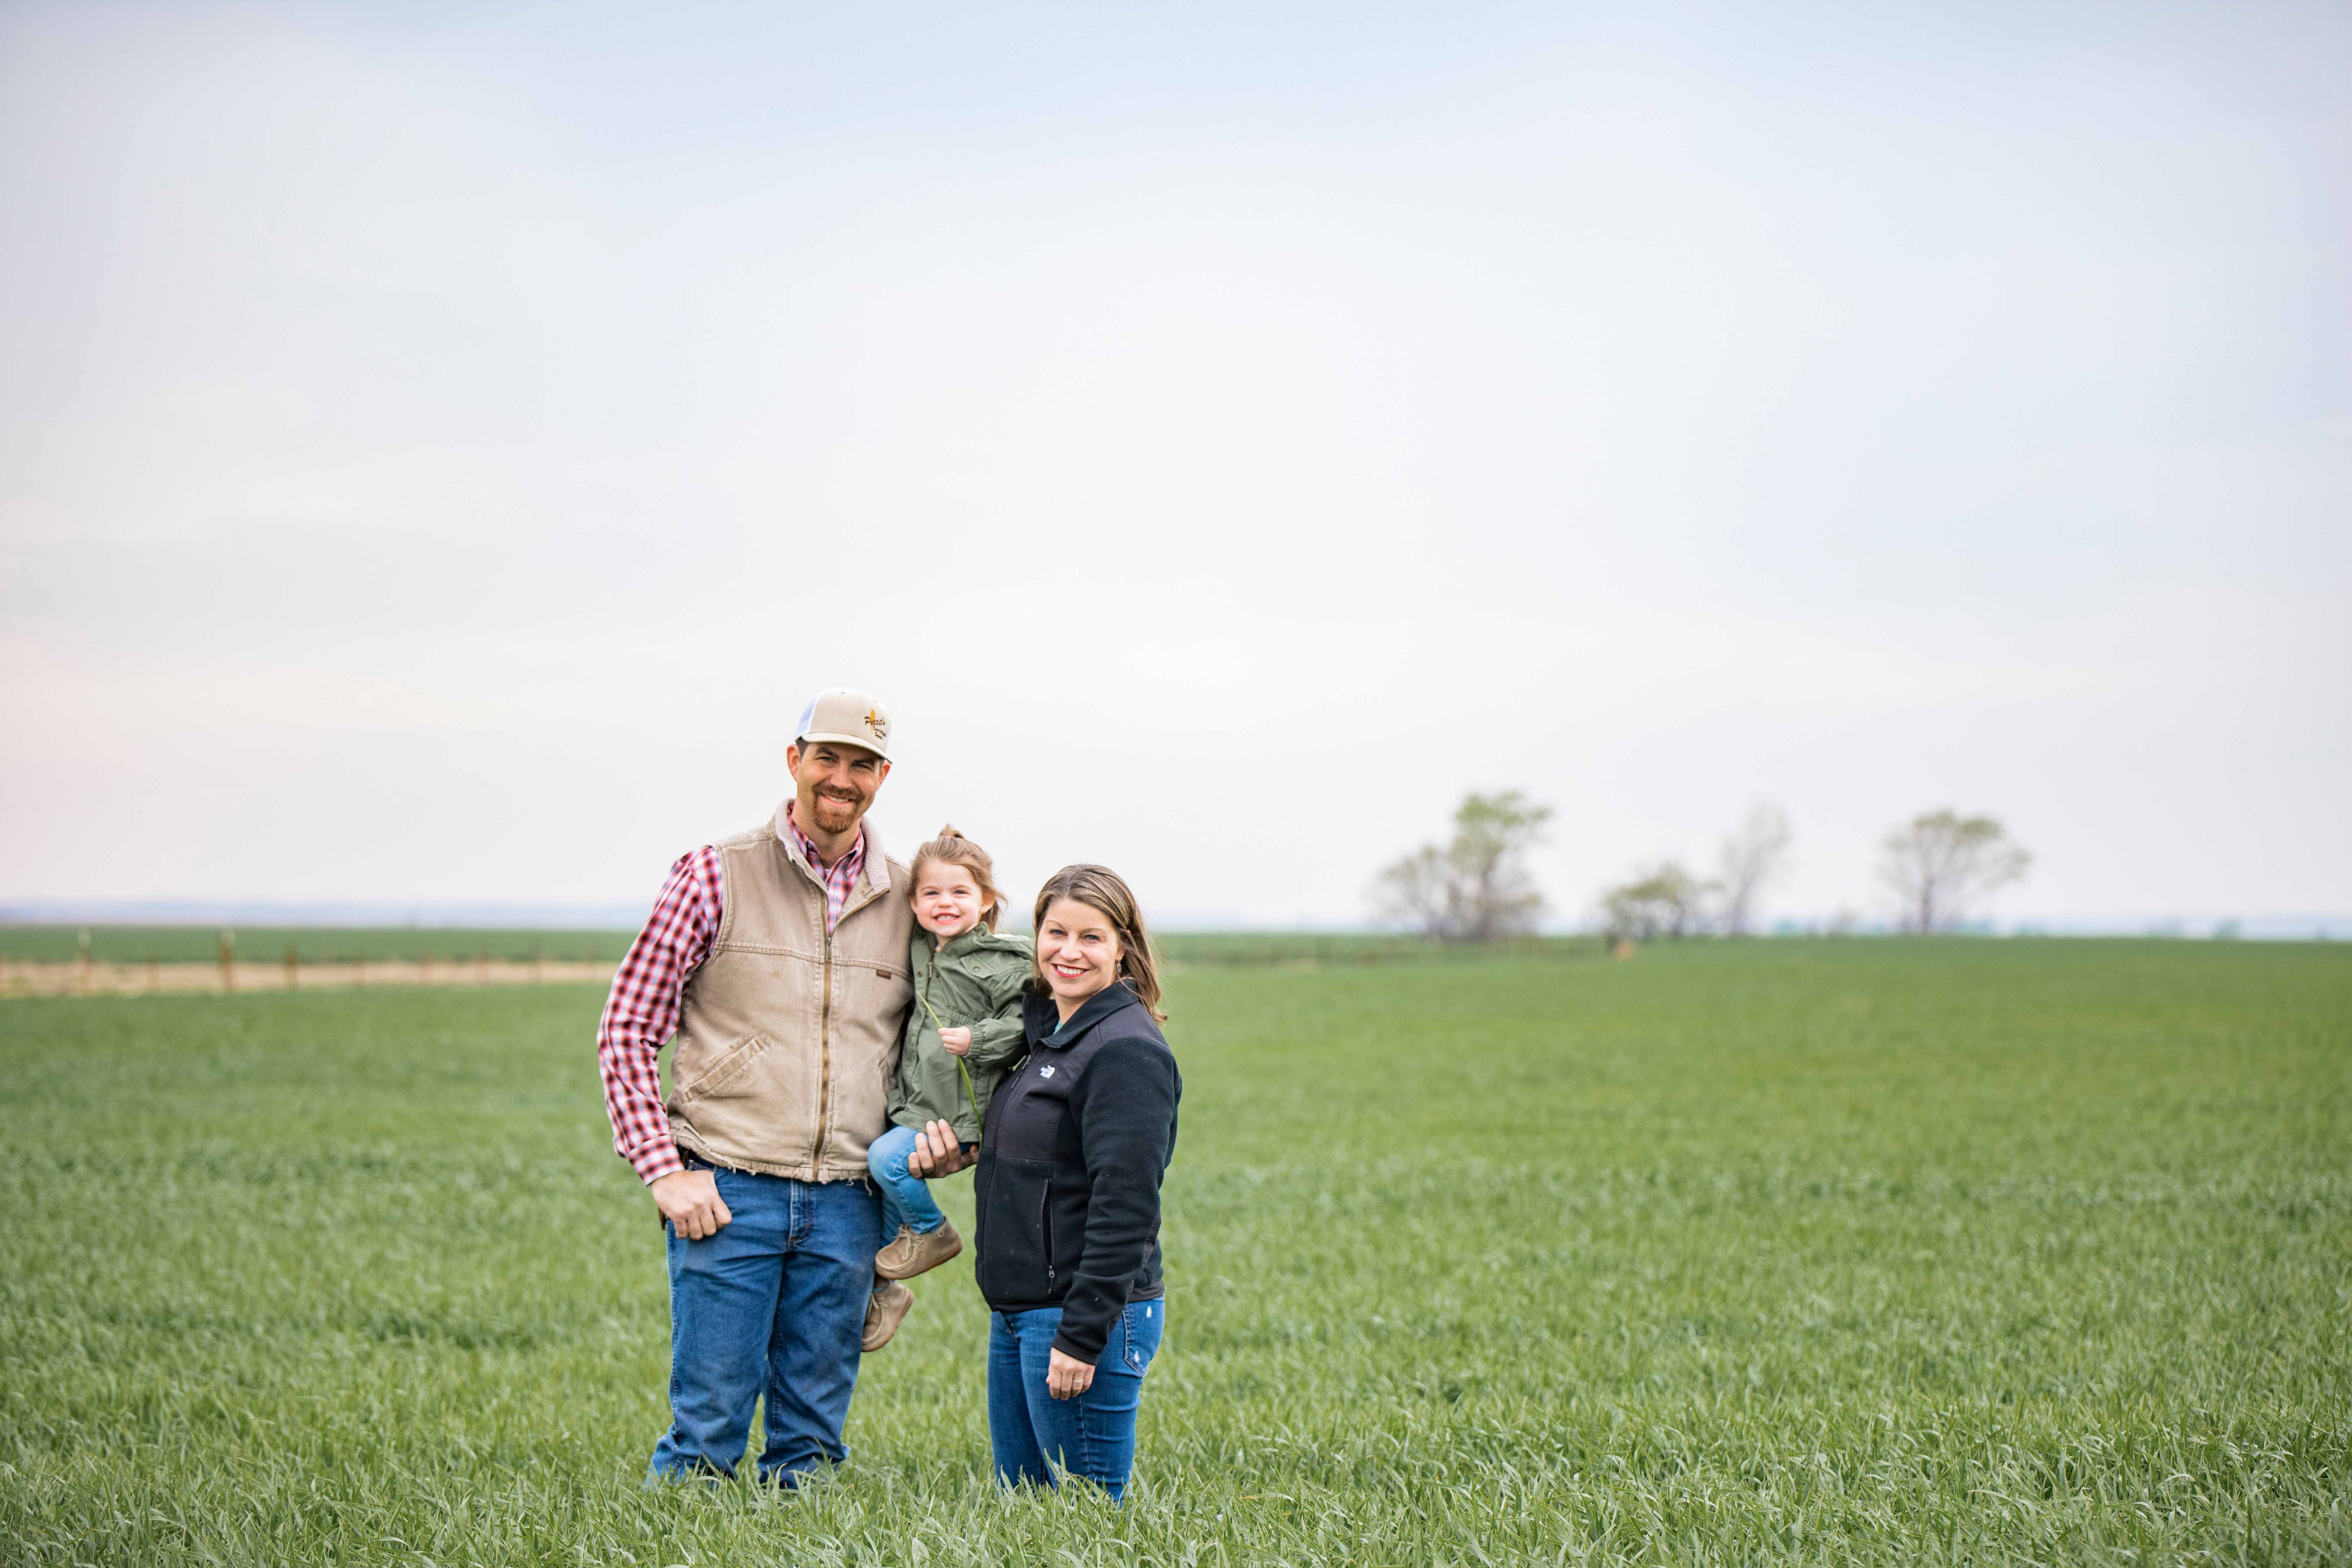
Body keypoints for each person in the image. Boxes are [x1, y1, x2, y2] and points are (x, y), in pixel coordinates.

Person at [595, 688, 913, 1488]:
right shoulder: (715, 873)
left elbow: (934, 1047)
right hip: (729, 1190)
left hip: (848, 1201)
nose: (843, 778)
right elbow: (629, 1027)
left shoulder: (909, 898)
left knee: (811, 1447)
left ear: (883, 776)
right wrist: (664, 1170)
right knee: (706, 1432)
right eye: (828, 757)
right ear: (794, 760)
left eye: (863, 763)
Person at [909, 864, 1182, 1503]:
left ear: (1123, 948)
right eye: (1056, 932)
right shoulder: (1046, 1042)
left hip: (1082, 1317)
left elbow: (1128, 1207)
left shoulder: (1124, 1051)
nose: (1069, 951)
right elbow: (1040, 1159)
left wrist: (1082, 1337)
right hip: (1021, 1312)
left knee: (1086, 1522)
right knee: (1029, 1517)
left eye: (1091, 938)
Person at [862, 827, 1033, 1341]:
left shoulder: (1003, 962)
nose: (945, 903)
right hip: (916, 1102)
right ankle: (883, 1293)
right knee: (880, 1213)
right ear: (913, 903)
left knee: (885, 1161)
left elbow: (1027, 1026)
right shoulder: (921, 950)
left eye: (960, 892)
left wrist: (978, 1038)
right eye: (932, 893)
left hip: (957, 1112)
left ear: (985, 902)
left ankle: (936, 1233)